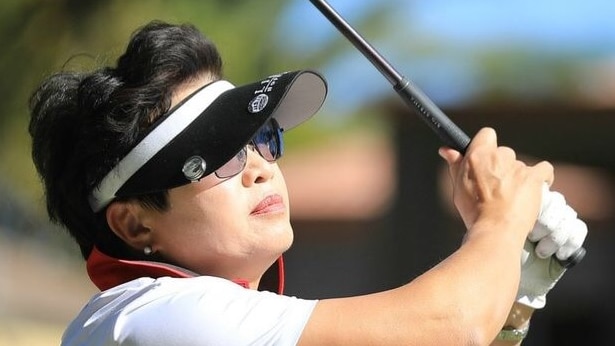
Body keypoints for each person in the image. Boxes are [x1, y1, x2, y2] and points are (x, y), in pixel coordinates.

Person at [28, 21, 587, 345]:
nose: (260, 166)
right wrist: (500, 223)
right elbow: (452, 326)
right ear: (133, 221)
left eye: (262, 139)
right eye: (219, 156)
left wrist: (513, 294)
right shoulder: (151, 317)